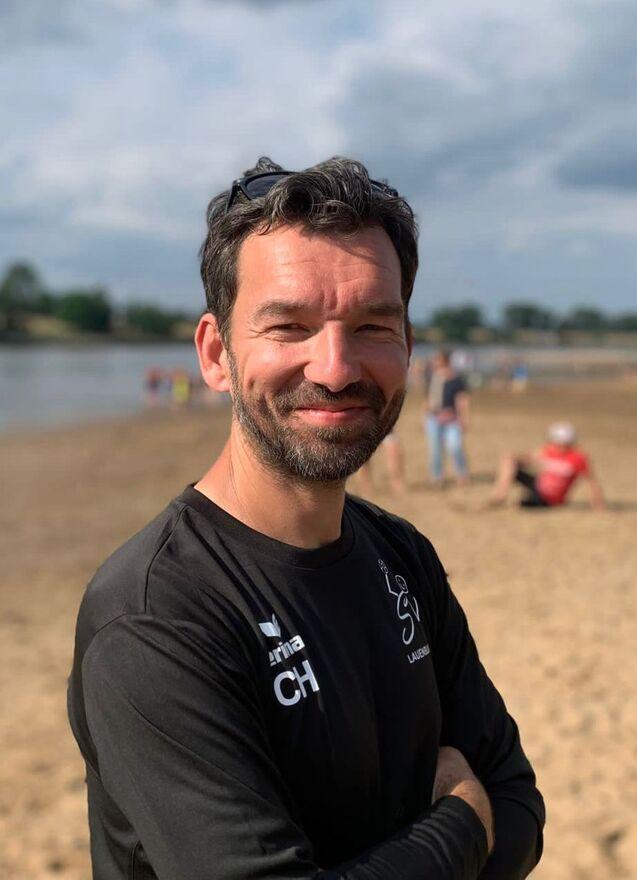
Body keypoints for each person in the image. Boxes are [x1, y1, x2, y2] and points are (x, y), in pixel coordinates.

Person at [68, 157, 544, 880]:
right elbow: (490, 815)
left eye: (372, 326)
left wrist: (479, 826)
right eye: (289, 326)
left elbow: (519, 807)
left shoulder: (400, 554)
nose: (335, 368)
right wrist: (461, 824)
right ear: (216, 354)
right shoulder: (155, 617)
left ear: (407, 347)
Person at [489, 421, 605, 509]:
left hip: (549, 498)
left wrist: (598, 505)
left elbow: (591, 482)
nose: (554, 444)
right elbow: (528, 458)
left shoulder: (578, 458)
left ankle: (506, 500)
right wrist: (511, 459)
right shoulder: (548, 451)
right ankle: (500, 495)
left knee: (523, 505)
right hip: (538, 485)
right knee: (508, 461)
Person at [424, 349, 470, 486]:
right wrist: (424, 417)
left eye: (437, 359)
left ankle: (462, 475)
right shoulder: (432, 377)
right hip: (433, 418)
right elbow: (427, 399)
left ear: (445, 360)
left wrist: (464, 418)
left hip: (452, 418)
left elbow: (462, 399)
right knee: (435, 450)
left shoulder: (456, 378)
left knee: (455, 447)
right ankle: (437, 477)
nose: (434, 362)